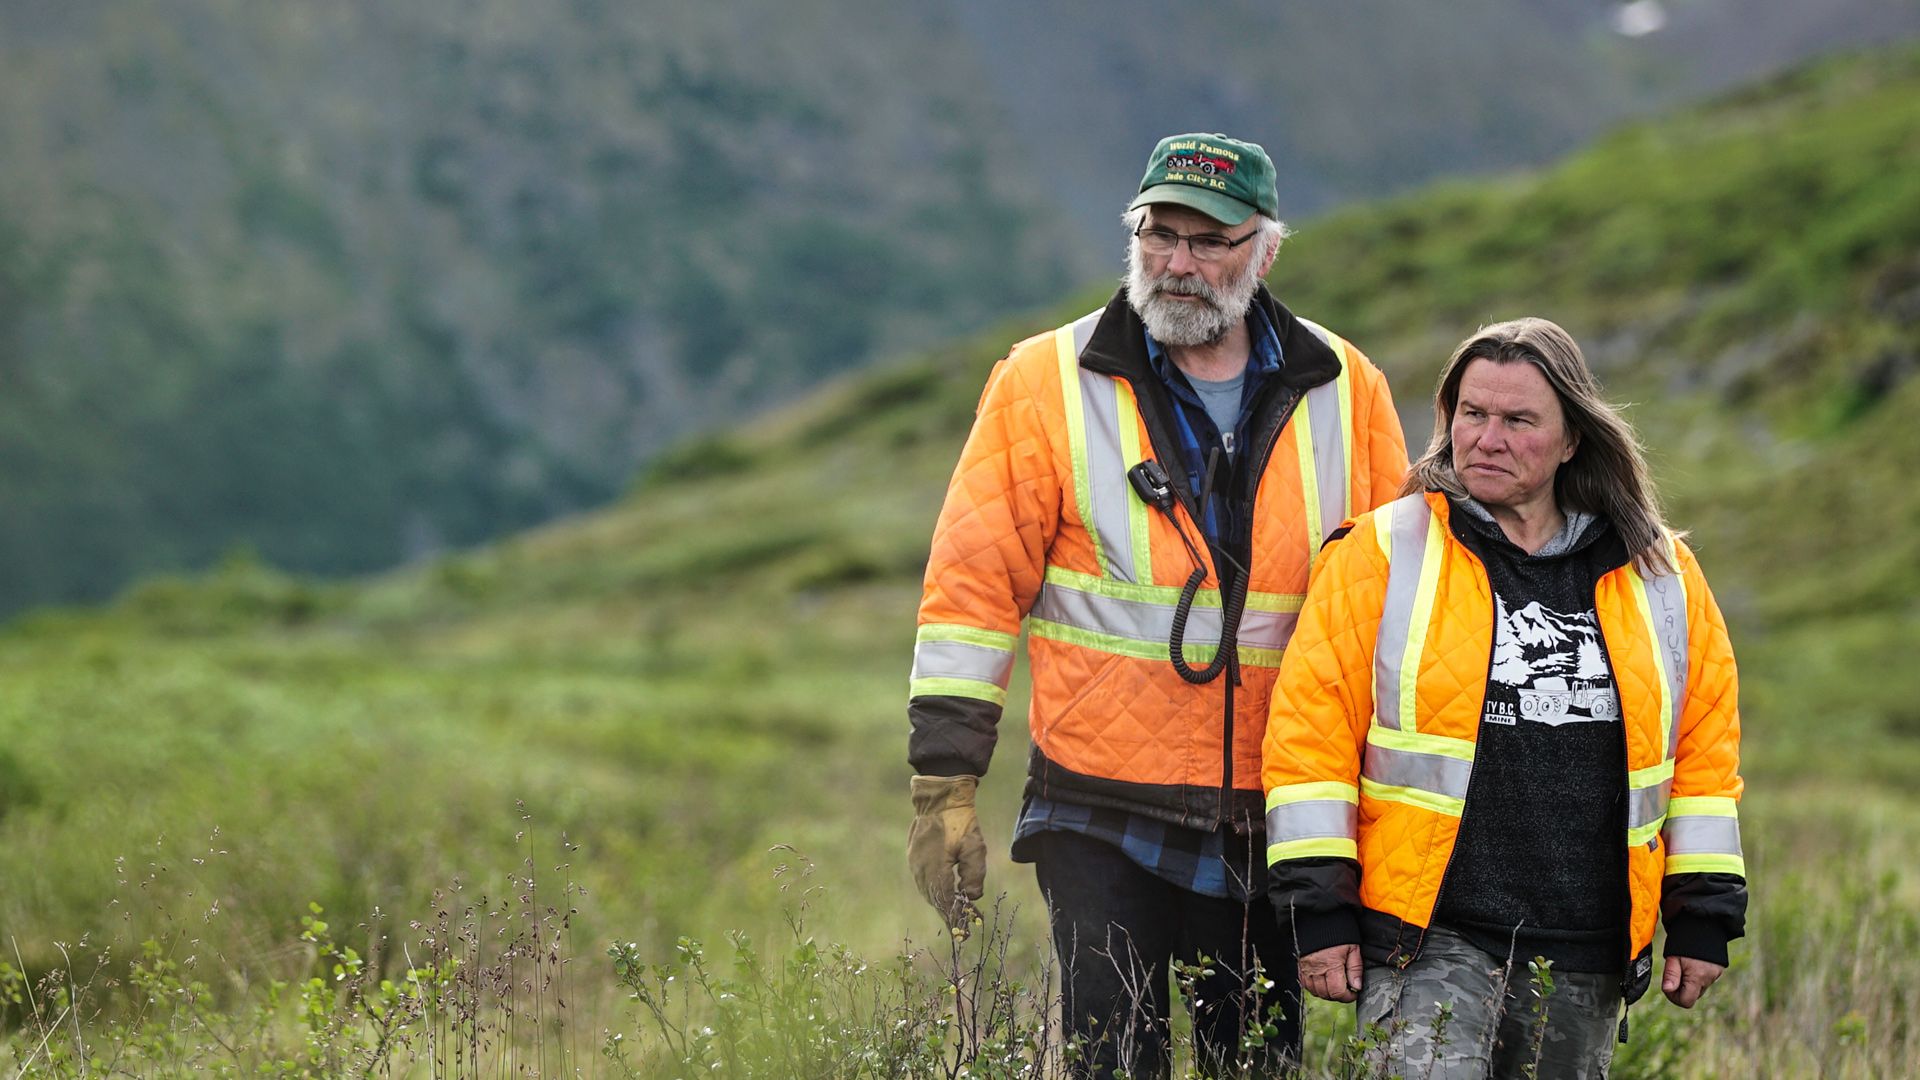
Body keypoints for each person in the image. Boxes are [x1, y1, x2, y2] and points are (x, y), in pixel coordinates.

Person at [905, 132, 1409, 1077]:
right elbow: (970, 593)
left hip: (1276, 815)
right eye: (1158, 232)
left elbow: (1393, 617)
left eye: (1209, 240)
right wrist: (945, 786)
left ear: (1264, 249)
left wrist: (1379, 822)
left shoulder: (1349, 390)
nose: (1177, 262)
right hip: (1096, 809)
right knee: (1108, 1060)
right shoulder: (1042, 381)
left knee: (1257, 1065)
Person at [1261, 317, 1747, 1078]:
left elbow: (1704, 755)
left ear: (1571, 439)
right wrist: (1318, 911)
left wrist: (1704, 912)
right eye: (1471, 414)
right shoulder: (1381, 550)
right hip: (1426, 937)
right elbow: (1308, 739)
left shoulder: (1663, 574)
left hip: (1585, 944)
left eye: (1518, 420)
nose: (1485, 438)